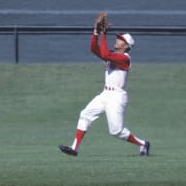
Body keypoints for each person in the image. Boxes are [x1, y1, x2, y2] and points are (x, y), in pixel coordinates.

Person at [59, 16, 150, 157]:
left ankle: (143, 144)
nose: (118, 40)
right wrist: (96, 32)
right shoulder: (113, 55)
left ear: (126, 46)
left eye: (121, 39)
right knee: (85, 114)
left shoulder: (125, 58)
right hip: (105, 94)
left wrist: (104, 34)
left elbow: (104, 53)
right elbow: (94, 49)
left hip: (117, 96)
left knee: (116, 131)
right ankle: (74, 148)